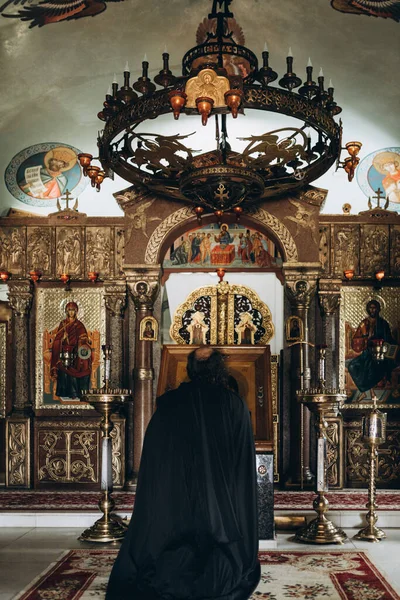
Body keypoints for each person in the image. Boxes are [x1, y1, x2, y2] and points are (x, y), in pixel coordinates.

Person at [106, 347, 260, 600]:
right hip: (219, 511)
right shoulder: (233, 404)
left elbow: (155, 459)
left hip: (174, 507)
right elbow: (241, 465)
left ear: (190, 370)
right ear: (219, 369)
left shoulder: (170, 403)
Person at [348, 300, 396, 397]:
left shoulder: (383, 323)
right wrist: (366, 339)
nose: (372, 310)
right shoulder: (364, 323)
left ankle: (370, 392)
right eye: (371, 308)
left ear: (378, 309)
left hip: (382, 354)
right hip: (367, 353)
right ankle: (364, 390)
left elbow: (390, 339)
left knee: (373, 367)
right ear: (367, 309)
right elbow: (356, 340)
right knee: (352, 366)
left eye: (374, 308)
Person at [50, 301, 92, 399]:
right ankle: (66, 391)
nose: (71, 312)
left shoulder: (79, 324)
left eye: (73, 310)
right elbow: (57, 340)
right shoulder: (63, 324)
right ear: (66, 311)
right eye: (69, 310)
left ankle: (79, 392)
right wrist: (62, 339)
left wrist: (82, 341)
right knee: (64, 365)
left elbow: (83, 337)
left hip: (77, 350)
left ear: (76, 311)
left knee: (83, 361)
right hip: (65, 350)